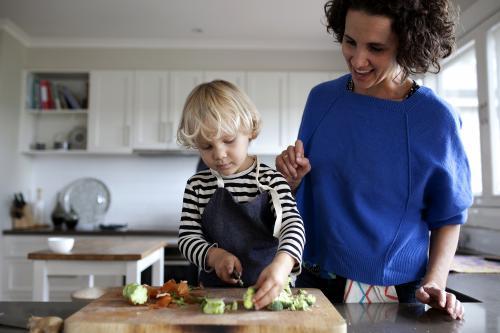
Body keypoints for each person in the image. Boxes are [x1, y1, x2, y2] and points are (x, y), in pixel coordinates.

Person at [276, 0, 472, 320]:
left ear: (408, 45)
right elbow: (305, 192)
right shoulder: (321, 99)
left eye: (376, 48)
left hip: (397, 290)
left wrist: (435, 281)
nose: (358, 59)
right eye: (350, 41)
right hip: (316, 278)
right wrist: (292, 179)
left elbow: (448, 216)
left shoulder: (435, 119)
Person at [177, 80, 305, 309]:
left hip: (270, 294)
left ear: (251, 131)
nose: (219, 154)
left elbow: (293, 226)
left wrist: (283, 265)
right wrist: (213, 256)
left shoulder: (270, 181)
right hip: (214, 298)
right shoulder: (197, 186)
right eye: (206, 147)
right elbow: (187, 238)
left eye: (228, 140)